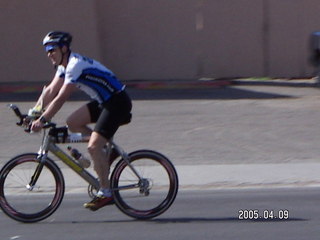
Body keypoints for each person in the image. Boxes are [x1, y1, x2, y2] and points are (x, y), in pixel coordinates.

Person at [30, 31, 132, 211]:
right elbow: (52, 90)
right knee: (72, 122)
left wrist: (43, 119)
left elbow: (61, 98)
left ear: (63, 48)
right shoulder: (63, 66)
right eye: (46, 51)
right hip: (104, 102)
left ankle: (106, 193)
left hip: (118, 102)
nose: (49, 54)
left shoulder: (75, 65)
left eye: (52, 49)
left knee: (92, 146)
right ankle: (106, 150)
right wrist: (33, 113)